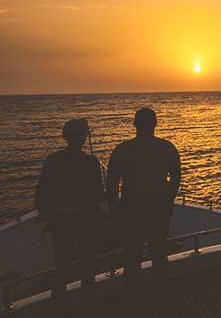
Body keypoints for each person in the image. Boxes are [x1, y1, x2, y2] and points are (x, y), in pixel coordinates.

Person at [106, 107, 181, 290]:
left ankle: (134, 296)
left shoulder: (122, 149)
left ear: (134, 124)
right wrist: (168, 201)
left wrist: (115, 210)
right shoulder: (167, 148)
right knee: (159, 253)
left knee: (131, 256)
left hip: (131, 210)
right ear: (155, 124)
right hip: (158, 208)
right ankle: (161, 293)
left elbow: (111, 183)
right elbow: (176, 178)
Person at [35, 118, 105, 307]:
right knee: (88, 265)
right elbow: (98, 194)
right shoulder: (91, 162)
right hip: (85, 221)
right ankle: (89, 305)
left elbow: (41, 193)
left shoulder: (53, 160)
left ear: (66, 137)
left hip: (61, 221)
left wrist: (50, 216)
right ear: (83, 138)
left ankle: (59, 306)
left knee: (62, 265)